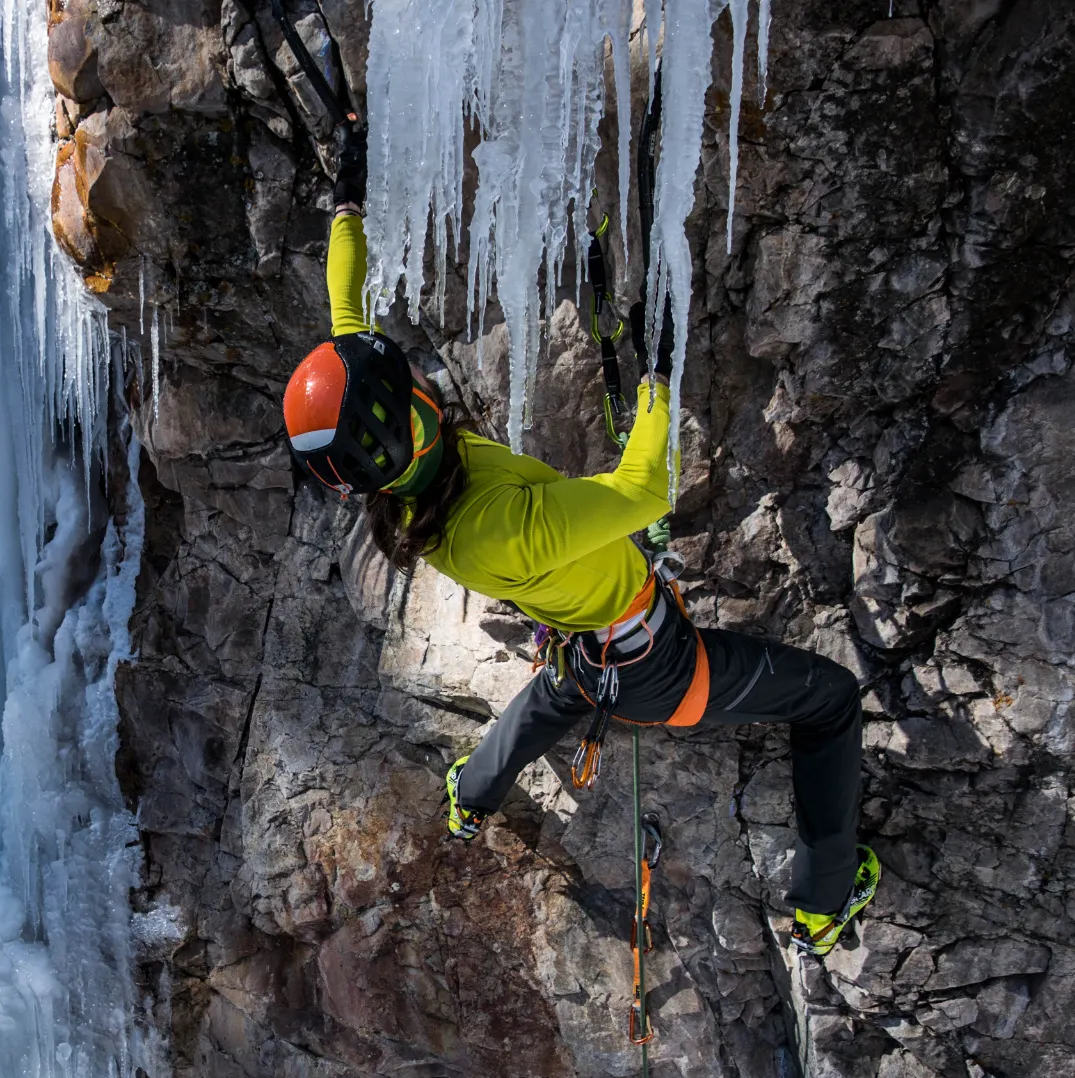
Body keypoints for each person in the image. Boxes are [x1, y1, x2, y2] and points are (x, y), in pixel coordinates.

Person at [280, 123, 881, 957]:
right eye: (411, 387)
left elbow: (346, 313)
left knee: (549, 702)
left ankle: (470, 794)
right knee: (828, 701)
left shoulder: (400, 489)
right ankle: (824, 898)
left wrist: (345, 208)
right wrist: (662, 379)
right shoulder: (492, 527)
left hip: (581, 648)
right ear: (409, 417)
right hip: (656, 668)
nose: (421, 378)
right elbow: (643, 489)